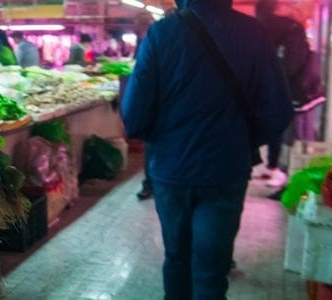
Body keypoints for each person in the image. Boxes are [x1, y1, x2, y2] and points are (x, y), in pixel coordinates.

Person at [120, 0, 293, 298]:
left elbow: (134, 116)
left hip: (172, 171)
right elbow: (278, 109)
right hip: (226, 171)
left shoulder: (162, 33)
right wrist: (242, 140)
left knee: (177, 258)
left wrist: (162, 138)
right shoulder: (253, 32)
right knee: (212, 271)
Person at [255, 0, 321, 187]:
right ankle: (282, 173)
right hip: (294, 92)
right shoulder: (291, 29)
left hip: (283, 91)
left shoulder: (265, 28)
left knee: (282, 132)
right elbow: (292, 64)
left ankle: (280, 171)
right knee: (289, 133)